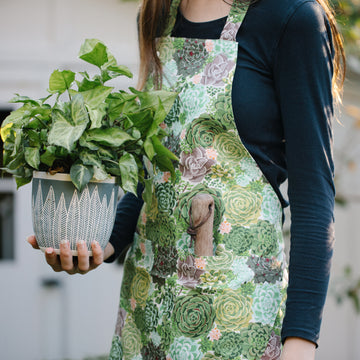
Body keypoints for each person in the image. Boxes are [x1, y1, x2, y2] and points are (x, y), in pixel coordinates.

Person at [28, 0, 346, 359]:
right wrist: (104, 243)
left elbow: (314, 192)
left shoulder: (291, 17)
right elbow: (156, 163)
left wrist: (301, 343)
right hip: (147, 313)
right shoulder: (156, 16)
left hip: (238, 317)